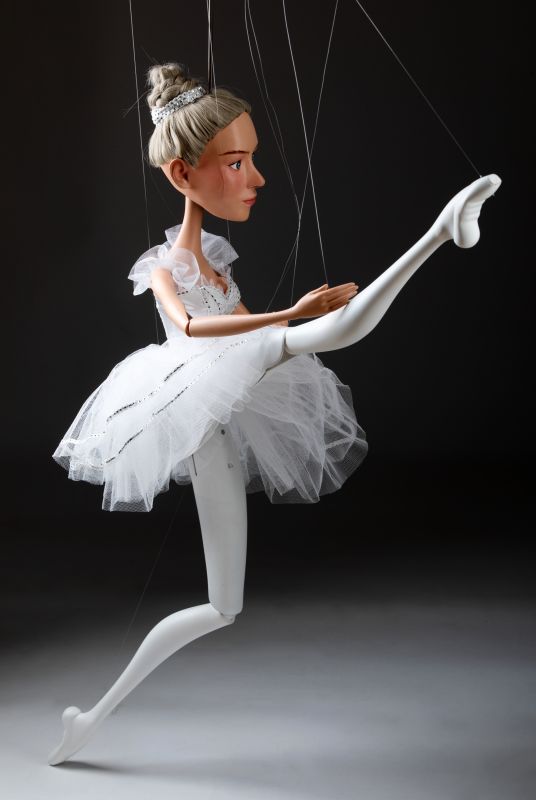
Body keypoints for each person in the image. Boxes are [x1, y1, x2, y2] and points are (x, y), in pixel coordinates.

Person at [49, 62, 501, 765]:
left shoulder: (217, 261)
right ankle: (441, 231)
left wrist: (286, 322)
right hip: (196, 390)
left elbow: (244, 324)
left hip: (227, 404)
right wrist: (288, 317)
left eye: (250, 159)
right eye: (237, 163)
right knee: (323, 331)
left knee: (222, 607)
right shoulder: (164, 267)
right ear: (182, 175)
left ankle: (92, 719)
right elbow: (191, 330)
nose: (255, 178)